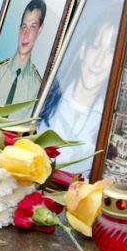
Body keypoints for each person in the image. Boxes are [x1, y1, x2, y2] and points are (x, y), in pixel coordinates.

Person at [37, 20, 116, 174]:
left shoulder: (109, 125)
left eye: (110, 51)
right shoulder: (45, 98)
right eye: (95, 46)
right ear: (83, 50)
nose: (98, 61)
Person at [0, 0, 46, 120]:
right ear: (19, 29)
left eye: (32, 27)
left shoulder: (37, 87)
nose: (26, 34)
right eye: (24, 27)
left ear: (40, 30)